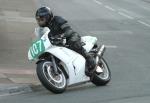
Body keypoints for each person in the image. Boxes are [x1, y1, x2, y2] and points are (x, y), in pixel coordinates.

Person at [35, 7, 96, 76]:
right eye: (38, 20)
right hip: (60, 43)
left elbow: (69, 30)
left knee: (73, 43)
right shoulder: (45, 28)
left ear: (48, 17)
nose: (40, 22)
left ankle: (90, 59)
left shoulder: (57, 19)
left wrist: (61, 36)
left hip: (71, 36)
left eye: (42, 19)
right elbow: (44, 38)